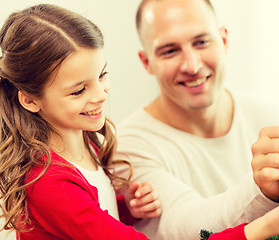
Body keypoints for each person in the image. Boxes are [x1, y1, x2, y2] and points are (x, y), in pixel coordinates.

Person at [114, 0, 279, 239]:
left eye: (202, 42)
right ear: (147, 62)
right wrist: (264, 191)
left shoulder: (269, 116)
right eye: (169, 51)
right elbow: (187, 229)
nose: (192, 66)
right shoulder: (127, 146)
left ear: (223, 40)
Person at [0, 4, 161, 239]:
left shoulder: (83, 142)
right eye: (78, 91)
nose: (101, 95)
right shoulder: (49, 182)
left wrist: (127, 208)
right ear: (31, 100)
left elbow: (87, 219)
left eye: (101, 75)